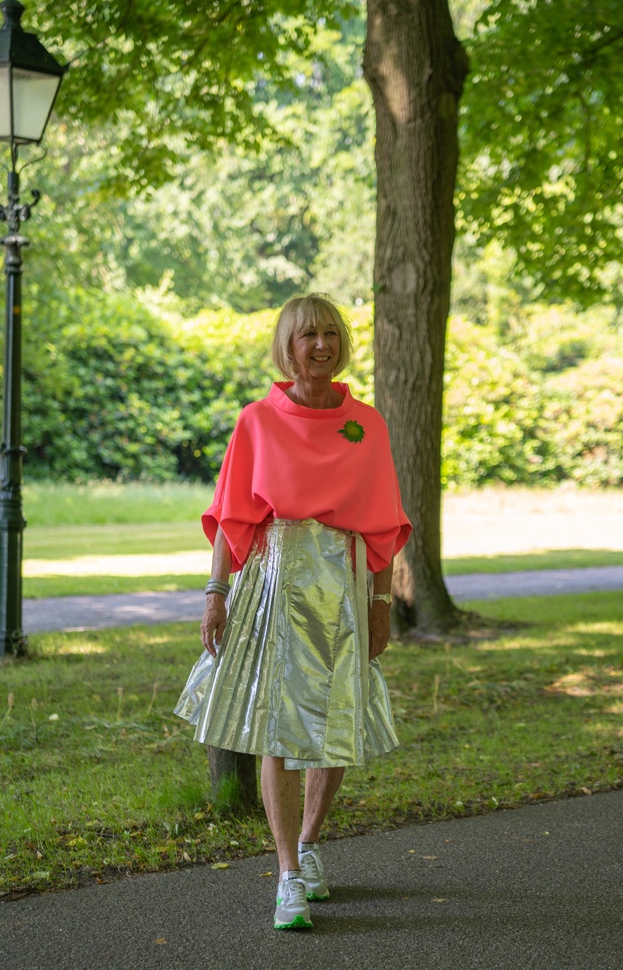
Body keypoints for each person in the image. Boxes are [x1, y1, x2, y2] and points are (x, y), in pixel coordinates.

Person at [175, 294, 411, 930]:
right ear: (288, 345)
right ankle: (285, 875)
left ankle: (309, 844)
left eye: (331, 333)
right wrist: (215, 593)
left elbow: (383, 525)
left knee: (338, 722)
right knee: (277, 723)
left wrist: (382, 603)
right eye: (307, 335)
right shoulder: (257, 421)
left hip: (344, 586)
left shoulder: (369, 424)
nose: (321, 345)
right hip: (275, 582)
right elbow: (232, 516)